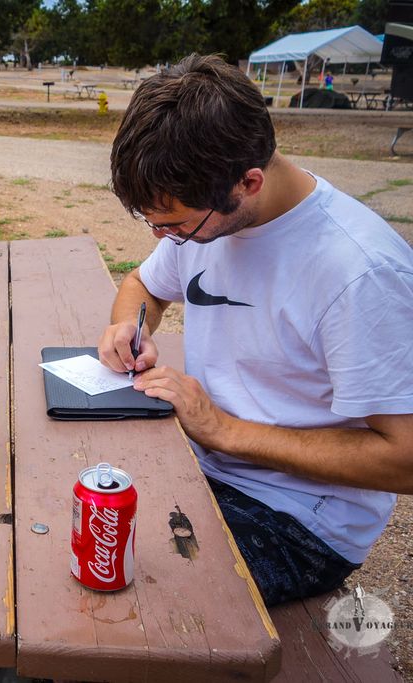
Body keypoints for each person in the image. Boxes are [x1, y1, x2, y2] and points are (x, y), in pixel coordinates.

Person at [98, 54, 413, 606]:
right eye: (152, 222)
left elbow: (405, 457)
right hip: (205, 464)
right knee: (69, 513)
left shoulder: (359, 272)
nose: (164, 237)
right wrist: (128, 325)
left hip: (299, 521)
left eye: (173, 224)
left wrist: (222, 429)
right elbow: (142, 284)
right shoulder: (201, 223)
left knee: (129, 592)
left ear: (248, 181)